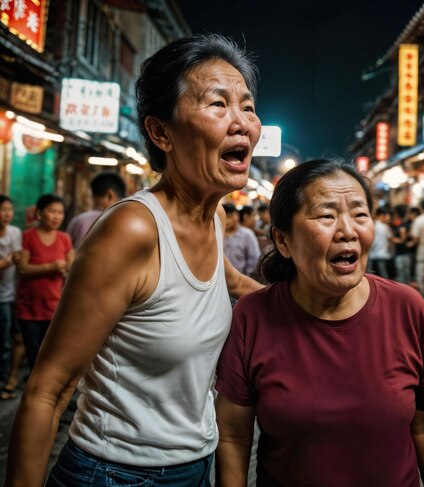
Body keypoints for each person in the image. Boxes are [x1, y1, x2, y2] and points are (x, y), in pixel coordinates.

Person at [6, 33, 263, 486]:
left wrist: (320, 302)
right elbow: (49, 389)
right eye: (218, 105)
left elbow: (231, 281)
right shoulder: (132, 230)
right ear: (161, 132)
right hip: (115, 473)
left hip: (195, 463)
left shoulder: (214, 215)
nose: (242, 122)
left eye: (247, 105)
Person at [215, 159, 424, 487]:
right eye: (327, 216)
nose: (348, 231)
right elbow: (232, 436)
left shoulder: (406, 307)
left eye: (360, 214)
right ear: (284, 241)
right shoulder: (252, 316)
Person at [15, 194, 74, 371]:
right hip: (29, 307)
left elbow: (71, 267)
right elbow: (23, 269)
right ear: (39, 213)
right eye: (52, 211)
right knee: (34, 355)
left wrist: (69, 268)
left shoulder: (64, 238)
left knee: (51, 356)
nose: (57, 216)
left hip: (54, 306)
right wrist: (52, 266)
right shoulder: (28, 236)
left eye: (60, 212)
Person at [66, 171, 127, 247]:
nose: (90, 201)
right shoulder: (134, 220)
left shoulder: (81, 220)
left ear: (109, 196)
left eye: (92, 198)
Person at [0, 195, 22, 400]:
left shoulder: (15, 232)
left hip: (8, 295)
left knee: (6, 340)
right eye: (2, 209)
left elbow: (19, 258)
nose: (7, 214)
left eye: (9, 209)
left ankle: (5, 378)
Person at [223, 203, 261, 277]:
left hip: (243, 279)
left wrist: (246, 277)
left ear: (236, 215)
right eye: (224, 217)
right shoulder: (217, 234)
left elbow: (254, 259)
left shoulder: (247, 234)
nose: (227, 221)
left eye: (229, 216)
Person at [368, 207, 393, 278]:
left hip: (372, 255)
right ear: (382, 215)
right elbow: (390, 239)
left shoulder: (371, 225)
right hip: (382, 254)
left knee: (372, 277)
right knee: (384, 277)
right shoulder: (385, 227)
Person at [391, 204, 412, 284]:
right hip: (405, 254)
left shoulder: (401, 225)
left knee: (402, 277)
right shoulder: (405, 223)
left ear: (397, 213)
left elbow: (402, 239)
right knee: (406, 276)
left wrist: (392, 239)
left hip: (401, 254)